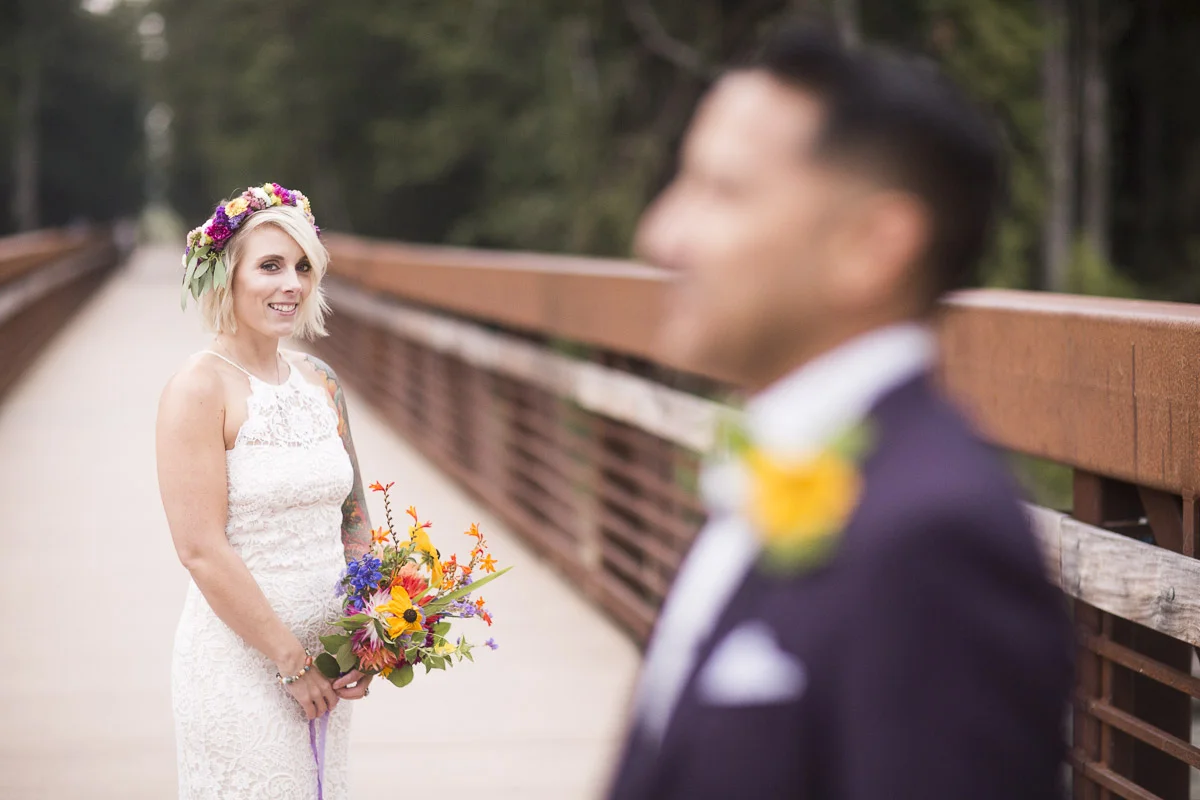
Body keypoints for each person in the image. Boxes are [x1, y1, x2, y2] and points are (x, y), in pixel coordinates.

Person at [606, 26, 1073, 800]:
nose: (659, 236)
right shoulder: (794, 468)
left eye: (723, 191)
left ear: (873, 246)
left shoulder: (937, 538)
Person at [157, 183, 375, 799]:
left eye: (303, 267)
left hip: (328, 666)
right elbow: (200, 549)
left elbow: (354, 515)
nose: (292, 284)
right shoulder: (198, 388)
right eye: (271, 266)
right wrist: (291, 662)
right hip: (243, 666)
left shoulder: (321, 380)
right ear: (228, 275)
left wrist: (368, 636)